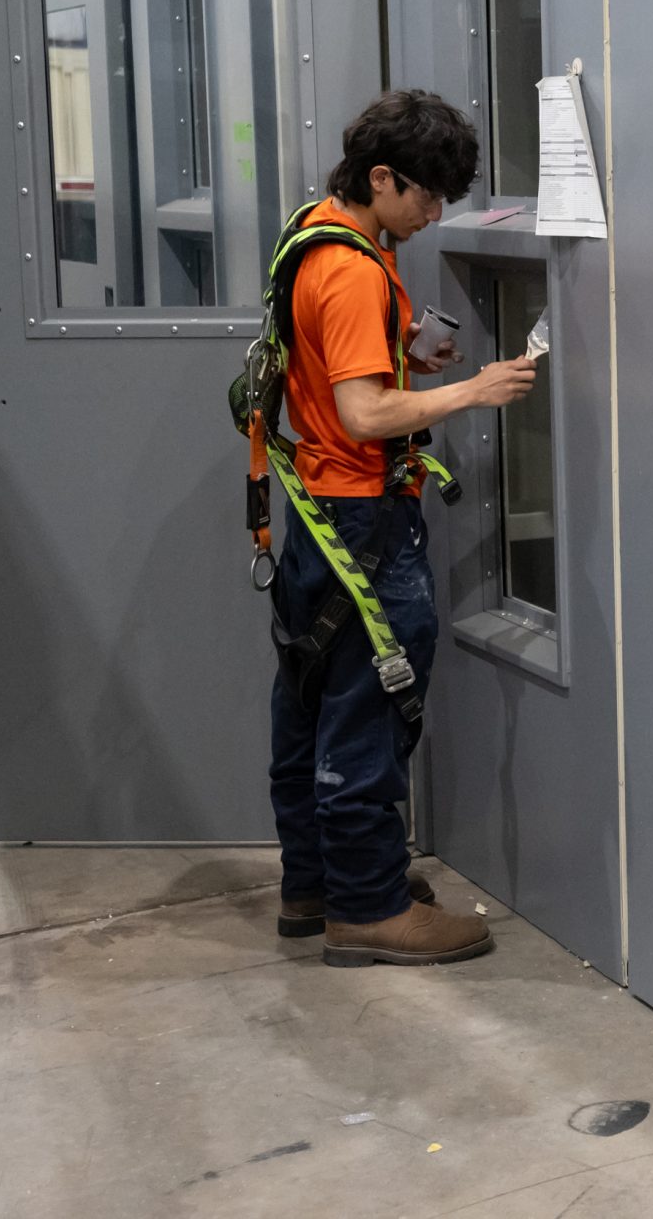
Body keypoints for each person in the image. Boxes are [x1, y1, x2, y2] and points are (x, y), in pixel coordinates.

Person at [269, 90, 537, 966]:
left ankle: (318, 884)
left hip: (312, 510)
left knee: (312, 702)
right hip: (362, 518)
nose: (430, 216)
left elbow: (323, 360)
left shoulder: (317, 231)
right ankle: (371, 909)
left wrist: (403, 343)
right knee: (369, 712)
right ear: (381, 177)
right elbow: (364, 413)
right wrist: (474, 390)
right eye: (423, 197)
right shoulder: (352, 269)